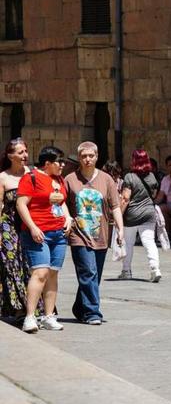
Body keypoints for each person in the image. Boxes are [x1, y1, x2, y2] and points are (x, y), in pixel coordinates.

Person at [65, 142, 124, 325]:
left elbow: (115, 206)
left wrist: (120, 230)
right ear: (79, 158)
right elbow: (62, 204)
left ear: (97, 157)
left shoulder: (106, 180)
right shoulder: (70, 179)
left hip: (101, 234)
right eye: (84, 156)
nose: (88, 159)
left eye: (91, 156)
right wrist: (67, 218)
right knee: (88, 272)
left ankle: (79, 307)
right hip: (79, 234)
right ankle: (92, 313)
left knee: (93, 275)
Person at [16, 146, 73, 333]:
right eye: (59, 162)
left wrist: (68, 218)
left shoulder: (59, 179)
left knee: (53, 274)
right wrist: (32, 227)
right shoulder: (30, 178)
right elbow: (21, 204)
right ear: (47, 163)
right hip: (38, 233)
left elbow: (61, 202)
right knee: (40, 273)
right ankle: (30, 317)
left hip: (58, 234)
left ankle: (49, 316)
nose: (63, 165)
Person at [0, 138, 43, 321]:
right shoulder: (3, 177)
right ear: (10, 156)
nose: (25, 155)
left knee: (29, 265)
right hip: (8, 225)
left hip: (29, 224)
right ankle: (17, 306)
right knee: (11, 265)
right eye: (20, 152)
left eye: (25, 151)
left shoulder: (32, 174)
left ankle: (31, 307)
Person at [120, 149, 161, 282]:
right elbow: (154, 195)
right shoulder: (152, 176)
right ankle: (155, 269)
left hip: (132, 214)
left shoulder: (129, 177)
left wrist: (118, 215)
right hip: (149, 212)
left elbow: (126, 198)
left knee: (128, 243)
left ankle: (126, 271)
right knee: (149, 242)